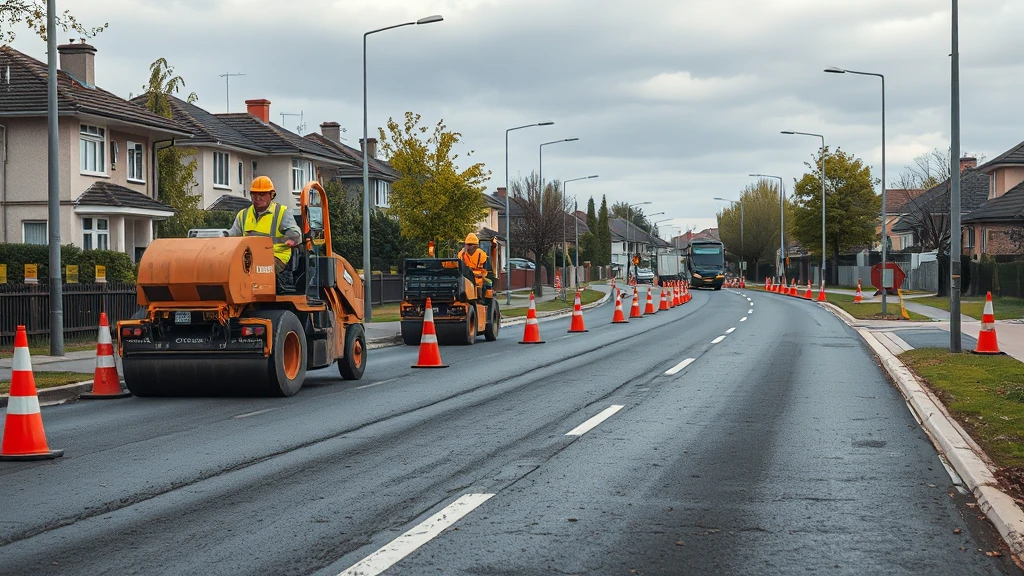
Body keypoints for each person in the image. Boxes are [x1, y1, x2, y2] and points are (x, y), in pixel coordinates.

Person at [228, 176, 301, 274]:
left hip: (276, 257)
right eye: (254, 194)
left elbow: (295, 235)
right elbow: (232, 236)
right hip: (249, 257)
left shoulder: (281, 212)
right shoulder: (243, 214)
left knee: (252, 269)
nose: (258, 198)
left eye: (262, 194)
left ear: (271, 195)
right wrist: (220, 236)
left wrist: (291, 237)